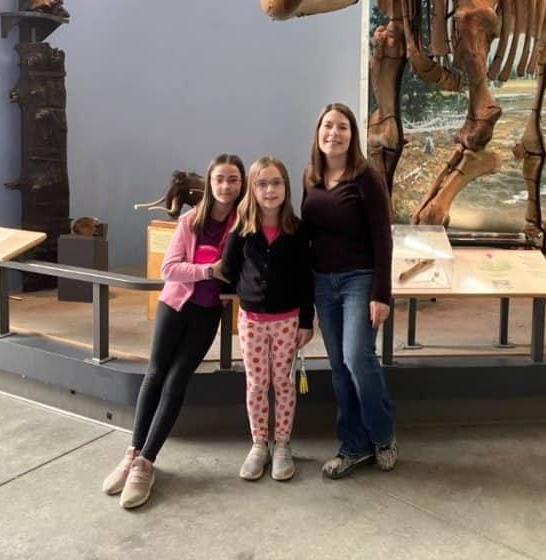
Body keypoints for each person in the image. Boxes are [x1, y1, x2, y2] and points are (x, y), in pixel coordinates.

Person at [101, 153, 245, 508]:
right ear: (209, 183)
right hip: (174, 307)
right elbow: (170, 269)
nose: (226, 186)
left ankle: (146, 462)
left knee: (178, 379)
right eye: (220, 179)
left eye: (233, 179)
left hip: (207, 314)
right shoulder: (190, 220)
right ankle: (132, 453)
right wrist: (209, 271)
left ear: (242, 185)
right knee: (155, 373)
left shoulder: (244, 225)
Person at [302, 102, 397, 479]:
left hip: (360, 279)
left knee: (358, 358)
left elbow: (381, 237)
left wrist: (381, 293)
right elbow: (304, 237)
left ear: (351, 135)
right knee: (339, 368)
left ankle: (383, 434)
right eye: (328, 126)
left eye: (342, 127)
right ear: (319, 132)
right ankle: (353, 446)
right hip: (323, 283)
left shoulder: (365, 177)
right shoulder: (310, 176)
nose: (334, 133)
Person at [221, 156, 314, 481]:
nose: (269, 190)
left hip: (288, 321)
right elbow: (229, 270)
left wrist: (306, 320)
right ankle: (259, 443)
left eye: (276, 183)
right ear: (252, 188)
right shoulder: (242, 228)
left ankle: (283, 444)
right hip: (252, 322)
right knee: (257, 384)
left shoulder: (297, 229)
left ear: (285, 188)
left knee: (284, 384)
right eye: (262, 184)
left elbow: (306, 278)